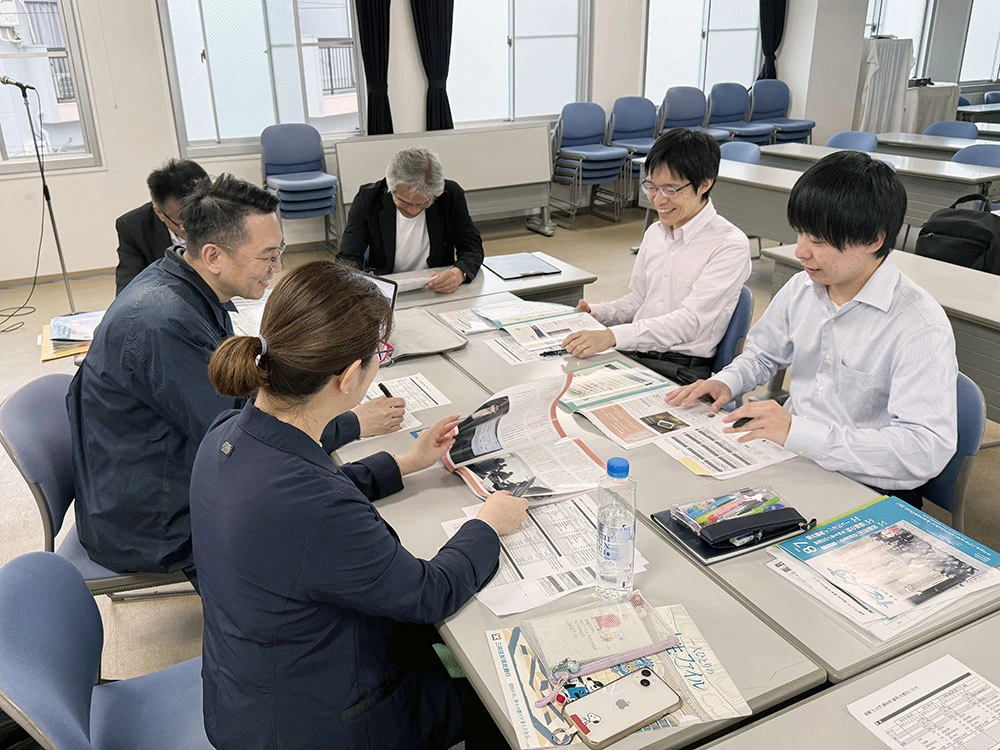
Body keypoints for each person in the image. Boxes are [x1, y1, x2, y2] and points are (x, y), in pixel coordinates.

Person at [190, 260, 527, 749]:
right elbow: (426, 593)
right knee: (496, 701)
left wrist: (407, 462)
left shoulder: (229, 433)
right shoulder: (313, 505)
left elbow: (306, 496)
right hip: (315, 723)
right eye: (379, 355)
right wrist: (488, 525)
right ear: (350, 376)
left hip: (250, 688)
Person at [68, 175, 403, 588]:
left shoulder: (181, 281)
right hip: (152, 524)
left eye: (279, 251)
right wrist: (354, 421)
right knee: (333, 534)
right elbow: (252, 438)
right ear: (213, 255)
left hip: (148, 480)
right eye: (267, 256)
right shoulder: (162, 323)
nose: (277, 267)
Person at [668, 151, 958, 504]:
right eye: (801, 233)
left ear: (873, 240)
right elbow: (762, 354)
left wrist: (798, 431)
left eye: (819, 240)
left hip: (866, 486)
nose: (802, 251)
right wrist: (725, 381)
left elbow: (923, 450)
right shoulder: (802, 287)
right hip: (791, 455)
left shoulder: (918, 326)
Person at [562, 128, 751, 384]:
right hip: (634, 354)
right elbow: (641, 300)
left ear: (705, 183)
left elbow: (690, 322)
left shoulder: (729, 245)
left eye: (671, 190)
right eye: (651, 186)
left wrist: (613, 336)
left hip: (680, 370)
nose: (658, 200)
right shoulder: (655, 232)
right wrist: (599, 312)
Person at [338, 145, 484, 293]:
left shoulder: (450, 195)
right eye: (404, 203)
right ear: (390, 188)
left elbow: (471, 246)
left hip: (436, 288)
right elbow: (348, 257)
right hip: (384, 290)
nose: (414, 211)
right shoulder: (368, 199)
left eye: (424, 203)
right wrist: (360, 285)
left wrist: (459, 272)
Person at [115, 158, 208, 295]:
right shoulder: (134, 227)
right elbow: (129, 292)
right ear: (160, 213)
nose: (197, 224)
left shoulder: (231, 213)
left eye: (201, 212)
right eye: (186, 219)